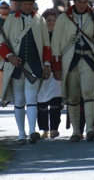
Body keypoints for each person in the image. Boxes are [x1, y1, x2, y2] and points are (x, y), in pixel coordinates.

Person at [51, 0, 94, 142]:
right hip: (70, 60)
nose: (82, 5)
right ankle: (77, 131)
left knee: (89, 94)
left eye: (84, 2)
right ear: (74, 2)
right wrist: (56, 67)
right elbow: (56, 43)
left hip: (89, 60)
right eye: (79, 2)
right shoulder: (64, 18)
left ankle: (90, 128)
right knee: (73, 96)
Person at [0, 0, 50, 145]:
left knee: (31, 97)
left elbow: (46, 45)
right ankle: (21, 133)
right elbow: (2, 43)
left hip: (33, 64)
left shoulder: (40, 20)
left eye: (30, 4)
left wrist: (46, 64)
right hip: (16, 65)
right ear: (21, 5)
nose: (28, 7)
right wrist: (10, 57)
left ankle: (33, 130)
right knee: (19, 99)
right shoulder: (12, 19)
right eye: (25, 4)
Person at [37, 9, 62, 139]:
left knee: (55, 101)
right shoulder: (39, 35)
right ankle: (44, 129)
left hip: (56, 72)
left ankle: (54, 128)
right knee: (41, 102)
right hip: (42, 72)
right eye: (49, 20)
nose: (52, 23)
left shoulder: (60, 35)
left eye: (54, 20)